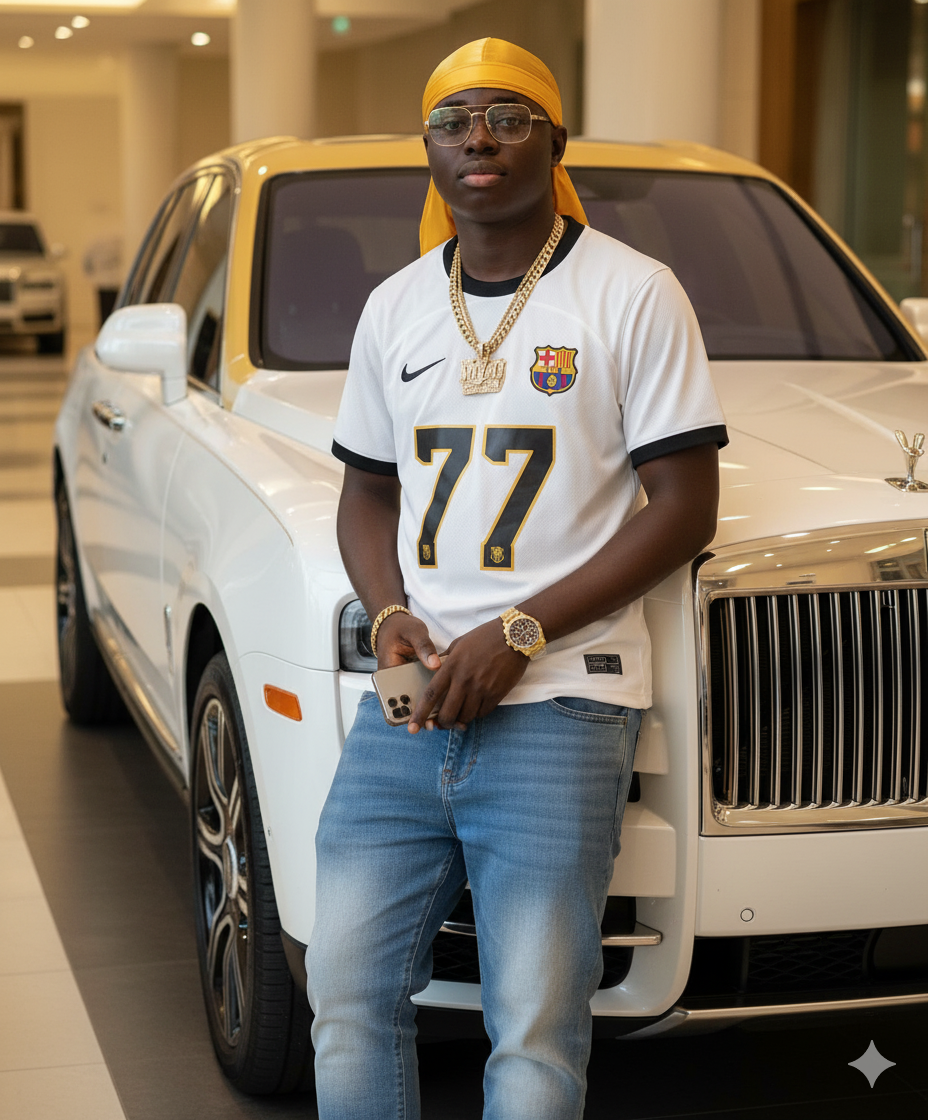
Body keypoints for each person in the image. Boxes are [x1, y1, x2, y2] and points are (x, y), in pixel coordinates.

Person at [307, 37, 727, 1120]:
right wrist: (391, 608)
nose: (478, 139)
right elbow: (367, 494)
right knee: (346, 994)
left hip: (564, 703)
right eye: (453, 121)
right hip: (407, 714)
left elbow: (684, 509)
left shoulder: (633, 294)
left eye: (506, 115)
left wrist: (521, 633)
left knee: (535, 1029)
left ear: (554, 140)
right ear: (430, 150)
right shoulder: (396, 306)